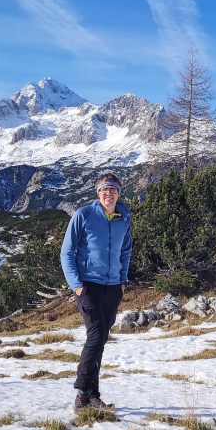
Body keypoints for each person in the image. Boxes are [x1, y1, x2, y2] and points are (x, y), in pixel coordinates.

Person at [60, 172, 132, 412]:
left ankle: (93, 396)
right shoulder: (83, 215)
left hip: (113, 287)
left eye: (113, 189)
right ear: (98, 193)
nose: (108, 193)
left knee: (100, 338)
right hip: (88, 285)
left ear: (119, 193)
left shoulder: (124, 217)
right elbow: (66, 252)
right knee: (96, 335)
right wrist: (77, 285)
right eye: (104, 189)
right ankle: (82, 394)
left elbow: (125, 251)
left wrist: (122, 281)